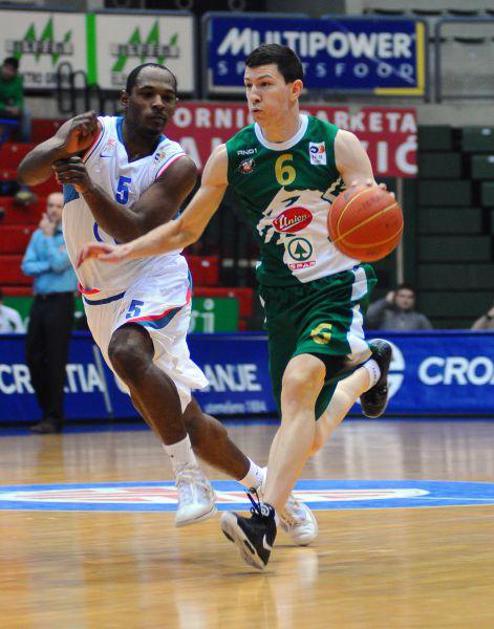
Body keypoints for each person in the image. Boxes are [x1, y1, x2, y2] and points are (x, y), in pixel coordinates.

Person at [77, 45, 393, 570]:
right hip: (282, 295)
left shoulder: (338, 144)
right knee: (307, 433)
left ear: (294, 89)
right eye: (248, 85)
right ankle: (369, 369)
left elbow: (367, 203)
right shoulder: (232, 156)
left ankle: (262, 521)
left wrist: (372, 207)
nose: (254, 94)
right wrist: (123, 251)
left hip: (335, 287)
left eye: (265, 84)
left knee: (299, 384)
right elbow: (184, 229)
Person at [17, 63, 316, 540]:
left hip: (154, 275)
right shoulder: (91, 135)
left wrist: (86, 185)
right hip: (100, 297)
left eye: (168, 97)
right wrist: (58, 147)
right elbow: (27, 172)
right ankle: (267, 487)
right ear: (125, 98)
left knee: (127, 351)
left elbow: (133, 229)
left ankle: (189, 479)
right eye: (147, 94)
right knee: (187, 419)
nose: (159, 104)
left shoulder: (178, 165)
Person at [20, 192, 77, 433]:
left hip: (61, 303)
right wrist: (45, 245)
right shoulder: (37, 234)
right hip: (40, 302)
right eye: (50, 205)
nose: (53, 210)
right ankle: (47, 411)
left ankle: (54, 417)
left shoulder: (72, 235)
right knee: (32, 356)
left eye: (58, 206)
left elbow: (59, 264)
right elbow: (26, 266)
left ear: (65, 209)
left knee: (55, 360)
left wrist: (47, 238)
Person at [366, 283, 433, 331]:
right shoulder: (384, 315)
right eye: (402, 296)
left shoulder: (420, 319)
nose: (405, 300)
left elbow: (430, 340)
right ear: (394, 297)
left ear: (414, 300)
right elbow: (368, 316)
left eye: (410, 297)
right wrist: (385, 301)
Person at [0, 56, 31, 142]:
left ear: (15, 72)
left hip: (10, 105)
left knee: (26, 113)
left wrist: (18, 107)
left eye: (11, 70)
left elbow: (19, 98)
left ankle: (24, 142)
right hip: (3, 106)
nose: (7, 72)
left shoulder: (17, 80)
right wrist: (5, 108)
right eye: (6, 68)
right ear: (2, 67)